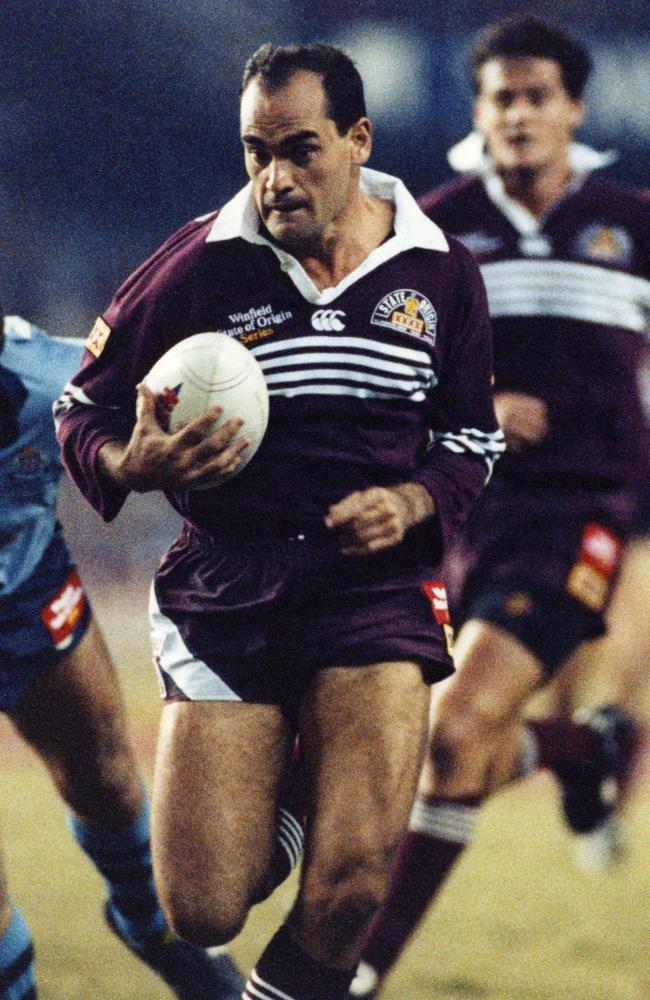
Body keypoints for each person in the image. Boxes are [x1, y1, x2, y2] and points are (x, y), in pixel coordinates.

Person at [54, 42, 504, 1000]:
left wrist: (416, 499)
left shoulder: (440, 273)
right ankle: (302, 787)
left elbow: (473, 438)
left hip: (372, 591)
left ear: (357, 140)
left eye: (300, 149)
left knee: (350, 888)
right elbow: (78, 409)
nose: (275, 177)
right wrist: (131, 463)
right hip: (228, 584)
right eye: (256, 152)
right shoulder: (199, 263)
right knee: (206, 908)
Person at [348, 16, 650, 997]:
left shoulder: (629, 226)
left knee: (452, 731)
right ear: (476, 113)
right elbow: (379, 375)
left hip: (580, 514)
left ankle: (360, 970)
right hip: (454, 516)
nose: (516, 113)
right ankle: (583, 743)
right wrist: (470, 404)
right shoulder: (430, 230)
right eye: (498, 98)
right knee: (444, 741)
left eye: (535, 96)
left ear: (571, 109)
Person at [0, 313, 244, 999]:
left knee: (106, 776)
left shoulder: (54, 372)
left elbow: (164, 402)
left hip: (26, 592)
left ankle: (151, 927)